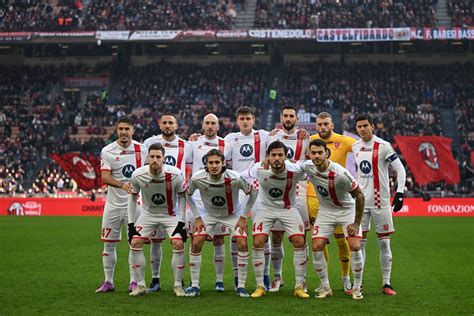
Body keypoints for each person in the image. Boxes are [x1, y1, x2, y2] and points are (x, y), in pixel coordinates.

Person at [185, 149, 257, 298]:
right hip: (209, 215)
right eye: (211, 162)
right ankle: (194, 285)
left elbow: (253, 192)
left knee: (242, 243)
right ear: (206, 164)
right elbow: (188, 194)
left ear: (223, 163)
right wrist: (198, 217)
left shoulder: (235, 178)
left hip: (233, 215)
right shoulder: (197, 178)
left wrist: (243, 217)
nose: (214, 165)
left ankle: (241, 286)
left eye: (217, 162)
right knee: (196, 242)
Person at [301, 139, 365, 300]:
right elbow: (290, 165)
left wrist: (356, 223)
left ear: (326, 153)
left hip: (346, 210)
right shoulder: (308, 166)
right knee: (316, 246)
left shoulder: (340, 173)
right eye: (313, 153)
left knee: (355, 245)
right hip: (326, 211)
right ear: (309, 154)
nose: (316, 156)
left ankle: (357, 288)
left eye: (319, 152)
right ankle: (326, 287)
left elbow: (360, 195)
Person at [244, 141, 309, 299]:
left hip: (288, 208)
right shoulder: (259, 168)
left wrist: (299, 162)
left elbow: (312, 170)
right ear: (268, 156)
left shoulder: (295, 169)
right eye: (273, 155)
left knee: (299, 241)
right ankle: (260, 286)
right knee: (258, 241)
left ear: (286, 156)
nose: (277, 158)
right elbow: (241, 177)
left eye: (280, 155)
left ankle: (300, 285)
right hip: (265, 209)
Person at [352, 114, 406, 295]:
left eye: (365, 126)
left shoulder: (383, 146)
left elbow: (400, 169)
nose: (362, 129)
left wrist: (399, 192)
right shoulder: (355, 147)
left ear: (372, 126)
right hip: (360, 202)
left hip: (380, 202)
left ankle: (386, 283)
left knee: (384, 244)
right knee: (360, 245)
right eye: (359, 126)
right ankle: (358, 284)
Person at [95, 116, 148, 293]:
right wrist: (122, 184)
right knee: (108, 244)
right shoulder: (108, 150)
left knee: (135, 243)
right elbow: (104, 177)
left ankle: (134, 281)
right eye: (121, 129)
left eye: (127, 129)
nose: (124, 132)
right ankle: (108, 281)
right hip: (113, 204)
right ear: (117, 131)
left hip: (135, 204)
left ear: (133, 130)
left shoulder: (142, 150)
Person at [127, 143, 187, 297]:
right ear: (148, 157)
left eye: (158, 157)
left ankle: (178, 285)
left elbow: (182, 197)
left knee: (178, 243)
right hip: (148, 214)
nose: (154, 160)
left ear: (164, 158)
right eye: (152, 156)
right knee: (135, 242)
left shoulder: (175, 174)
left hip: (171, 215)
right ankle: (140, 285)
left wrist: (181, 222)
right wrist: (131, 224)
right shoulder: (138, 175)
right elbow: (132, 198)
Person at [307, 112, 356, 294]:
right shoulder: (310, 140)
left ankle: (346, 278)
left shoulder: (344, 140)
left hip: (338, 199)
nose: (322, 127)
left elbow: (364, 147)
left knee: (341, 240)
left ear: (332, 125)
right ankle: (325, 282)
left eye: (326, 124)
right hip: (314, 197)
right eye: (319, 124)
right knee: (320, 242)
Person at [143, 114, 192, 292]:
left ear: (176, 125)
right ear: (159, 124)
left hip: (177, 202)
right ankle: (155, 280)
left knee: (179, 242)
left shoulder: (186, 145)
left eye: (171, 122)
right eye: (164, 122)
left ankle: (180, 281)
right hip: (154, 200)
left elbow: (191, 168)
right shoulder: (149, 143)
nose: (168, 125)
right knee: (156, 241)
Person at [224, 106, 271, 290]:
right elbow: (216, 152)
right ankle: (237, 277)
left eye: (248, 118)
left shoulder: (265, 135)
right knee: (237, 235)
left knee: (263, 234)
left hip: (260, 190)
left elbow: (282, 138)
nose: (245, 121)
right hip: (238, 190)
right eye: (242, 118)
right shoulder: (230, 139)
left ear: (254, 120)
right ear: (237, 121)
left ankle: (265, 277)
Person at [187, 113, 233, 292]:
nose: (210, 126)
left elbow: (230, 169)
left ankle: (219, 281)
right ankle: (194, 283)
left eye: (213, 123)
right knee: (195, 241)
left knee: (219, 240)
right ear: (202, 125)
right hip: (196, 199)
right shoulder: (192, 143)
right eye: (207, 123)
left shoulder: (226, 145)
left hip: (217, 200)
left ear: (218, 126)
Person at [267, 106, 310, 292]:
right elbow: (266, 160)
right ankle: (277, 277)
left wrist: (294, 164)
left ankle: (302, 280)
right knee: (276, 236)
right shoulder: (273, 136)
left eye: (292, 116)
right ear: (281, 117)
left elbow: (308, 162)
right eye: (285, 115)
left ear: (296, 118)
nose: (288, 118)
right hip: (277, 190)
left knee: (300, 237)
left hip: (299, 192)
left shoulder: (305, 137)